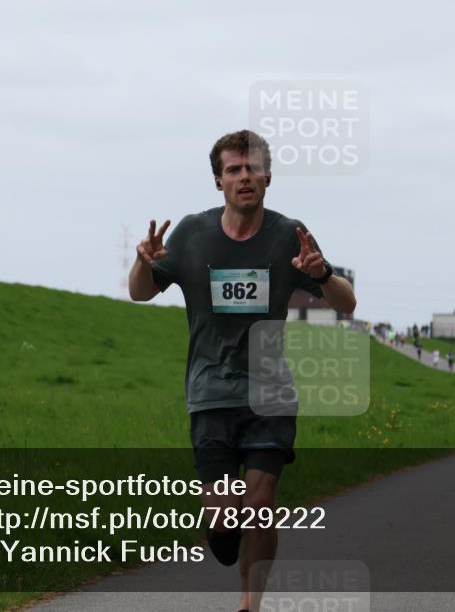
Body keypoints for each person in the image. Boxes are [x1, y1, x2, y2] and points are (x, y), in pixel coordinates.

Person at [129, 129, 356, 612]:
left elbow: (346, 303)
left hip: (270, 394)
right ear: (219, 181)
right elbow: (140, 292)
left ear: (268, 177)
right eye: (234, 169)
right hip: (209, 391)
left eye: (252, 168)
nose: (244, 176)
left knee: (259, 506)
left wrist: (318, 274)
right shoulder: (192, 234)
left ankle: (249, 605)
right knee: (225, 518)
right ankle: (221, 530)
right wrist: (141, 262)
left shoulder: (289, 234)